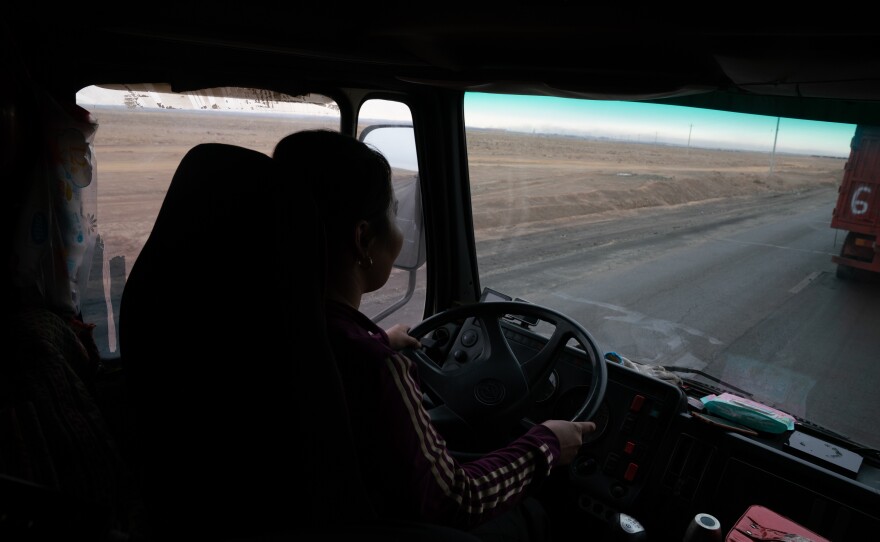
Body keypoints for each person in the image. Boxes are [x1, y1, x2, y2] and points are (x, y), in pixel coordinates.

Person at [273, 129, 595, 542]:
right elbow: (457, 502)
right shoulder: (373, 366)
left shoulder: (266, 322)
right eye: (393, 212)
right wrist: (546, 445)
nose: (401, 228)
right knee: (541, 511)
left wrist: (375, 344)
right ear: (363, 239)